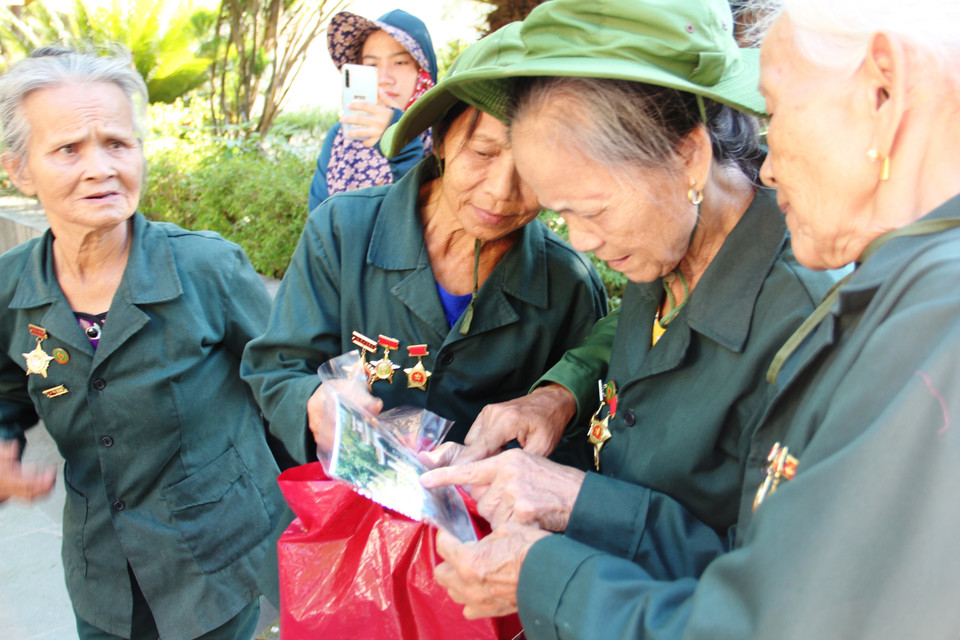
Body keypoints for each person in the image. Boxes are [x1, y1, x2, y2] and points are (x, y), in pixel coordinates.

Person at [421, 0, 960, 637]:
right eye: (563, 215)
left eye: (592, 210)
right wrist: (559, 401)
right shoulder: (660, 249)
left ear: (688, 159)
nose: (583, 242)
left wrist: (557, 554)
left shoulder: (864, 321)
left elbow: (768, 599)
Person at [0, 48, 286, 639]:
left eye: (117, 143)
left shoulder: (208, 268)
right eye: (68, 149)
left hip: (215, 566)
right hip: (101, 573)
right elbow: (6, 389)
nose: (100, 167)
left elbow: (281, 378)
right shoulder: (10, 288)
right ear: (19, 170)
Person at [241, 23, 607, 465]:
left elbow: (587, 427)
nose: (501, 191)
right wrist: (314, 403)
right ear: (441, 139)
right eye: (483, 152)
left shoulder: (568, 284)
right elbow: (277, 368)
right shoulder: (341, 231)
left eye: (534, 167)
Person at [308, 9, 437, 211]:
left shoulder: (445, 135)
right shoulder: (341, 138)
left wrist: (401, 139)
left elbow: (416, 218)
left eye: (400, 62)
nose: (384, 78)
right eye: (371, 65)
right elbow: (318, 220)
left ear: (422, 70)